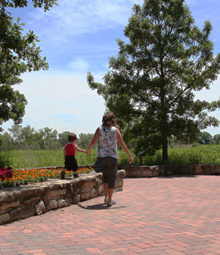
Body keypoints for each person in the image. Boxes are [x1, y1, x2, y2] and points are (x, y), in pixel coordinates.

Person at [86, 112, 133, 207]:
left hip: (102, 157)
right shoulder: (115, 130)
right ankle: (110, 200)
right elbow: (122, 144)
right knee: (112, 178)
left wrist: (88, 148)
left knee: (105, 176)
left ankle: (106, 197)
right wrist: (129, 155)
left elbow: (93, 141)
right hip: (112, 157)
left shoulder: (99, 129)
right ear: (113, 120)